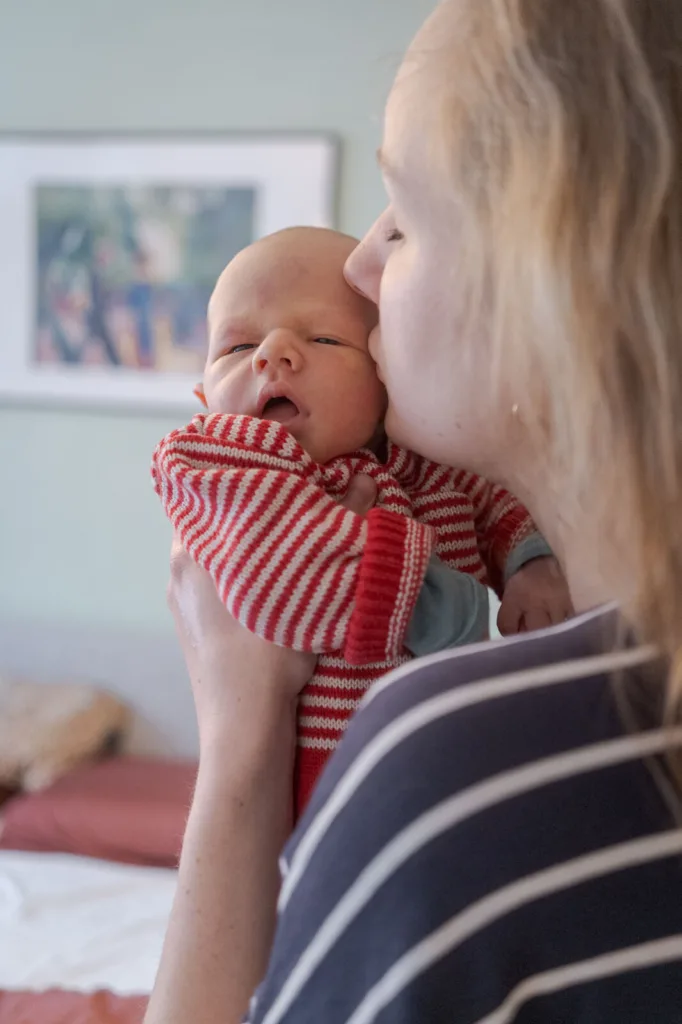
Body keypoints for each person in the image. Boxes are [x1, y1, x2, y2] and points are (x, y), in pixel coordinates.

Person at [145, 1, 682, 1022]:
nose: (358, 268)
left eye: (401, 219)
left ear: (550, 285)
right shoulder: (224, 458)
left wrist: (236, 742)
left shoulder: (457, 765)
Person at [152, 227, 571, 814]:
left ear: (386, 374)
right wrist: (439, 608)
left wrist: (532, 565)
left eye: (323, 337)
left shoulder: (428, 464)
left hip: (454, 747)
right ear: (204, 398)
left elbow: (496, 498)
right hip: (330, 776)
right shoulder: (219, 464)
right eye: (237, 349)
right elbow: (277, 579)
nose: (273, 353)